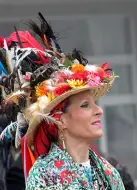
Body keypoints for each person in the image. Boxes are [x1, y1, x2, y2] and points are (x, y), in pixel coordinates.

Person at [0, 13, 125, 189]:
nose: (99, 110)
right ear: (61, 119)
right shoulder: (44, 177)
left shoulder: (110, 173)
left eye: (94, 103)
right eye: (85, 105)